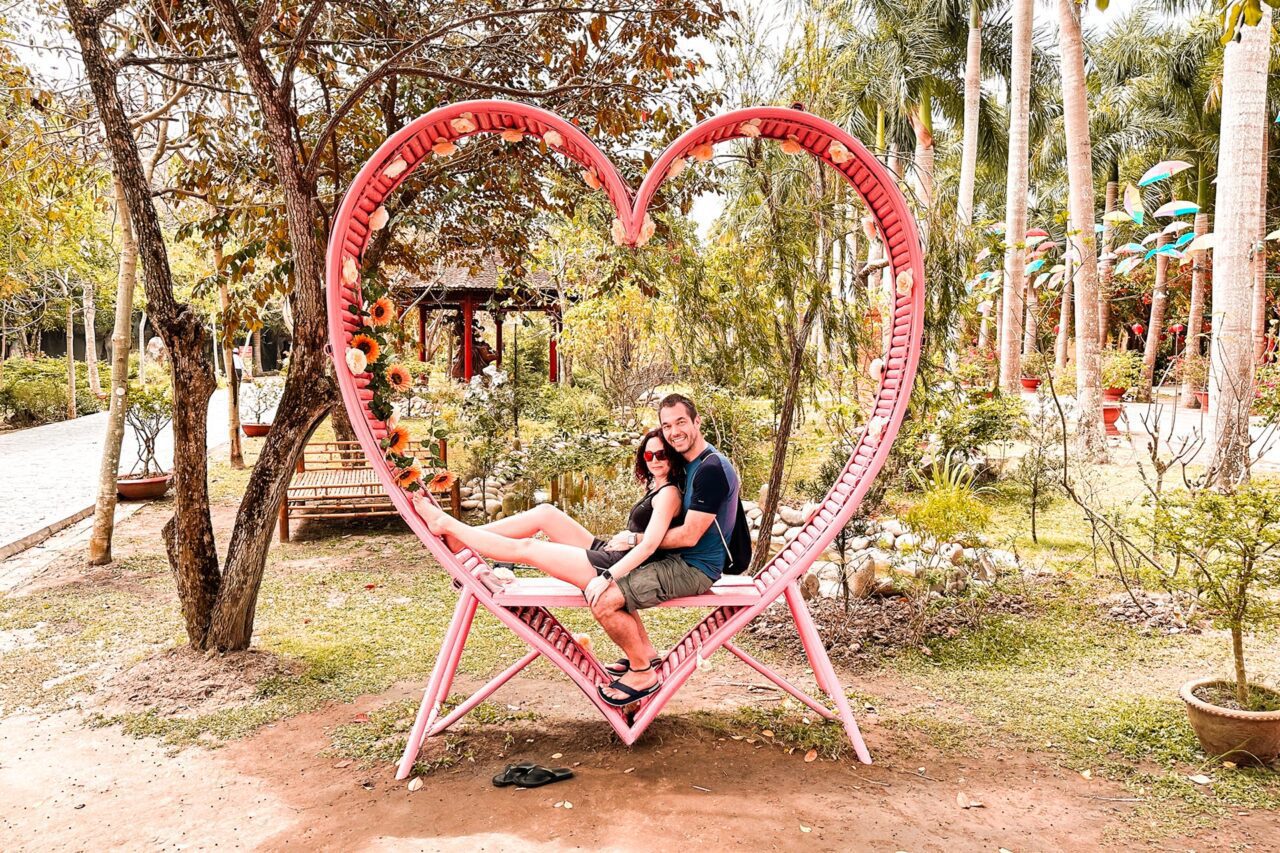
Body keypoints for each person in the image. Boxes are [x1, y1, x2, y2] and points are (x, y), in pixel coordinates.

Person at [412, 428, 689, 703]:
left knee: (528, 548)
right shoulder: (657, 486)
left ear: (673, 455)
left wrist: (608, 575)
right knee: (546, 514)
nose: (654, 460)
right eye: (648, 454)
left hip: (618, 564)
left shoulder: (669, 494)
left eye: (661, 454)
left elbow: (650, 544)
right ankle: (463, 539)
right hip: (611, 551)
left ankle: (449, 526)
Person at [585, 393, 741, 706]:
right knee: (615, 584)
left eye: (681, 422)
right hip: (680, 561)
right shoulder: (693, 462)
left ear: (697, 422)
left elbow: (689, 535)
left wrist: (636, 540)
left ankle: (643, 673)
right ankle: (645, 655)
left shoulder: (710, 468)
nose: (673, 431)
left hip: (694, 568)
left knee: (604, 601)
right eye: (667, 425)